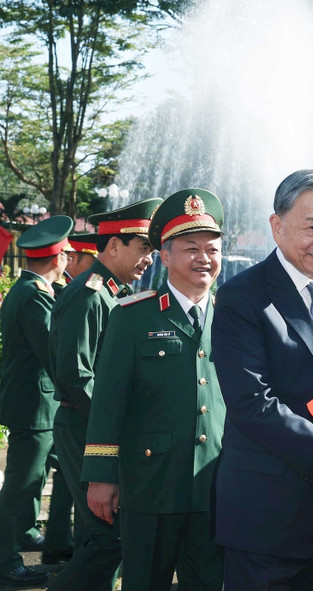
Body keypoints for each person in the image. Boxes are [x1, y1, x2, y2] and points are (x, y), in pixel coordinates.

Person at [211, 169, 313, 590]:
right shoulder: (242, 297)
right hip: (268, 522)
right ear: (277, 226)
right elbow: (254, 404)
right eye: (312, 228)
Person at [80, 189, 226, 590]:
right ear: (166, 256)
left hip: (214, 484)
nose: (203, 258)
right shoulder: (133, 316)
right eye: (190, 248)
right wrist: (100, 477)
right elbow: (109, 402)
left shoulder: (232, 317)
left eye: (212, 249)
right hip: (150, 484)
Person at [49, 197, 162, 591]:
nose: (150, 259)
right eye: (144, 247)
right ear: (114, 245)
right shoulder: (90, 294)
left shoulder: (107, 293)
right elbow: (76, 375)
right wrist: (118, 419)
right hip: (85, 424)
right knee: (108, 533)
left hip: (91, 424)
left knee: (98, 533)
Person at [0, 215, 73, 586]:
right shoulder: (34, 295)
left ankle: (26, 533)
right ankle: (5, 562)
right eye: (67, 255)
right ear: (58, 258)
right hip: (35, 405)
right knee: (22, 483)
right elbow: (53, 352)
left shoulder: (27, 290)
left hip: (32, 402)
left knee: (36, 473)